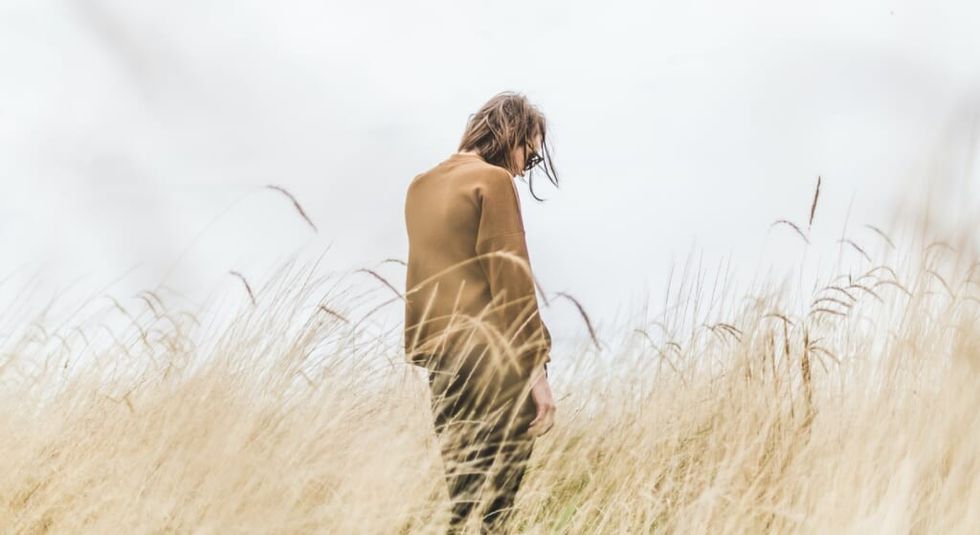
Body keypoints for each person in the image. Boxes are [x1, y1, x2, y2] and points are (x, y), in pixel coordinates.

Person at [403, 91, 560, 534]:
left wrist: (429, 355)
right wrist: (537, 372)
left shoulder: (420, 186)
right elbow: (511, 280)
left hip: (443, 365)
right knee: (497, 511)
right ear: (510, 134)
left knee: (462, 499)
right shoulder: (492, 181)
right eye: (527, 155)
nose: (521, 168)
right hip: (495, 362)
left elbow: (422, 281)